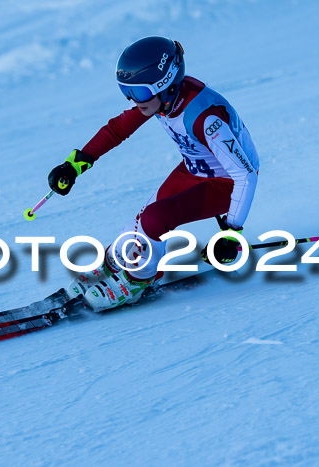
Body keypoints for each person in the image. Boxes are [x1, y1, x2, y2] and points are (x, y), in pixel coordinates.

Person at [48, 36, 259, 311]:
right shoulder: (163, 100)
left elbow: (245, 175)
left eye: (140, 93)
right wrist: (76, 163)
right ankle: (115, 264)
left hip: (226, 183)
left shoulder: (206, 120)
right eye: (127, 92)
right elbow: (117, 129)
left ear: (166, 86)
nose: (134, 101)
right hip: (196, 169)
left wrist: (231, 233)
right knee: (139, 224)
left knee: (154, 219)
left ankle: (136, 281)